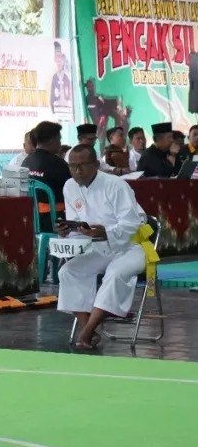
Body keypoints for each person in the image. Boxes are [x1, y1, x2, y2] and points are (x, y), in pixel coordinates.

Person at [56, 145, 147, 350]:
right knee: (68, 272)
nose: (77, 171)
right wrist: (67, 230)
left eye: (82, 165)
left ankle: (87, 332)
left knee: (114, 274)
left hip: (132, 246)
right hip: (98, 246)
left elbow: (132, 224)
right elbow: (77, 223)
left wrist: (105, 232)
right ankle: (87, 327)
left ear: (97, 165)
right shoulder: (70, 186)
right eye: (72, 166)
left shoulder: (117, 185)